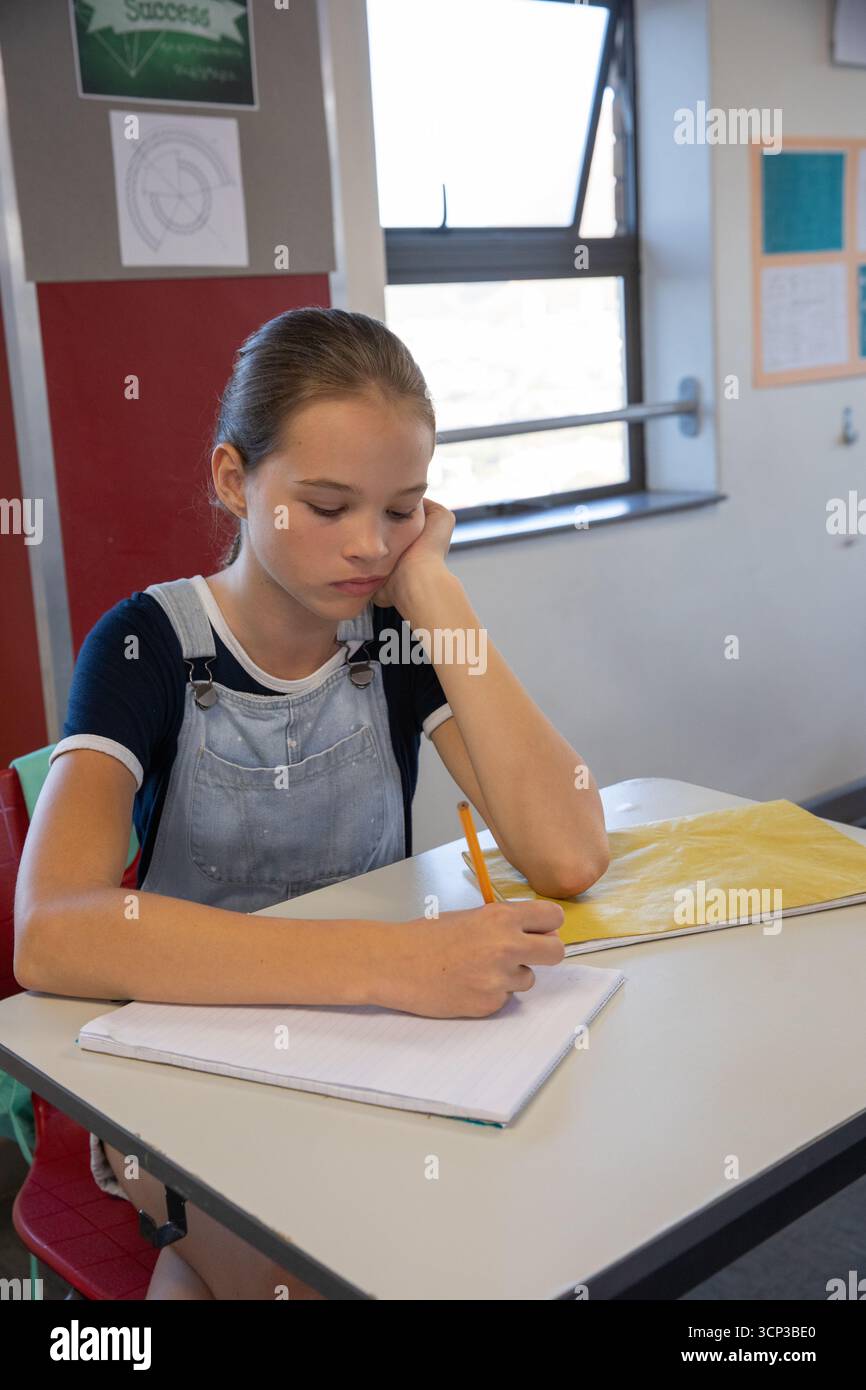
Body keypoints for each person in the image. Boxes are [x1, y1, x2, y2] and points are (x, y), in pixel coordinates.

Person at [14, 307, 610, 1299]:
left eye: (401, 509)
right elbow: (51, 929)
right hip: (183, 1061)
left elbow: (568, 850)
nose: (368, 546)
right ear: (233, 480)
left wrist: (436, 598)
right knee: (322, 1270)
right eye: (327, 505)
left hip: (365, 1051)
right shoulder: (144, 645)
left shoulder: (395, 632)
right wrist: (393, 964)